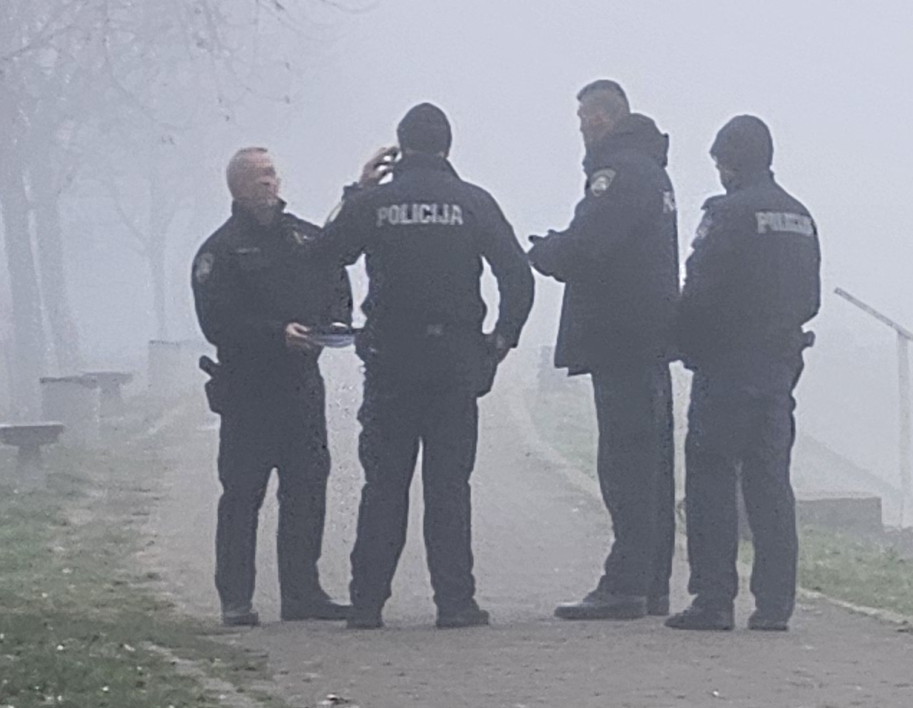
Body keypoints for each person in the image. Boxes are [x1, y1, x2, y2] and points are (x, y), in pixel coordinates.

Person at [324, 103, 534, 629]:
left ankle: (368, 603)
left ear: (400, 149)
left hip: (391, 361)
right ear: (447, 146)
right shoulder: (473, 202)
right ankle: (455, 602)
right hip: (455, 363)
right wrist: (501, 339)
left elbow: (326, 254)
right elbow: (518, 277)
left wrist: (359, 189)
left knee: (384, 485)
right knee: (449, 487)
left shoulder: (376, 202)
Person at [527, 77, 680, 620]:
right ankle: (652, 582)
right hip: (649, 338)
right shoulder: (654, 172)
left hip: (620, 338)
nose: (581, 132)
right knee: (653, 464)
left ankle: (626, 584)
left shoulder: (619, 173)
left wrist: (547, 252)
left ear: (601, 119)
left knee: (626, 464)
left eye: (584, 120)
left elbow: (588, 246)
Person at [187, 146, 351, 626]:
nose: (268, 183)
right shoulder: (218, 252)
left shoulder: (304, 238)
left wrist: (332, 326)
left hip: (300, 385)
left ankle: (302, 593)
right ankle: (236, 598)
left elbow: (335, 280)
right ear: (236, 186)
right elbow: (217, 321)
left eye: (272, 174)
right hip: (248, 390)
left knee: (306, 489)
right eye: (257, 176)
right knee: (242, 494)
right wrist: (275, 334)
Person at [670, 114, 820, 633]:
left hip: (728, 366)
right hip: (778, 367)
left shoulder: (726, 212)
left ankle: (713, 600)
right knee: (771, 484)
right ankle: (775, 605)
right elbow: (811, 299)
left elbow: (701, 287)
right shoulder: (800, 216)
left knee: (712, 479)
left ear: (729, 162)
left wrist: (682, 342)